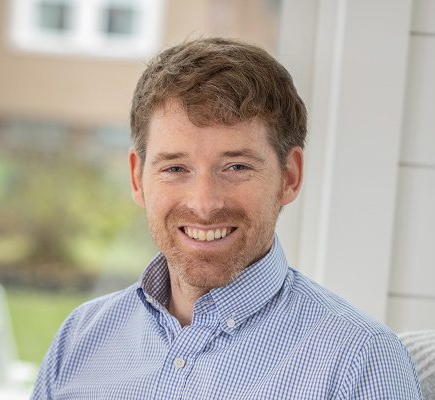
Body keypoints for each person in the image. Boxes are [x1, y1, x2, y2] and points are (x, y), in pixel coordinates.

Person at [30, 38, 421, 399]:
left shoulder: (361, 362)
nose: (204, 204)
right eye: (175, 168)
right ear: (138, 177)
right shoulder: (80, 338)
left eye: (235, 167)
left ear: (289, 176)